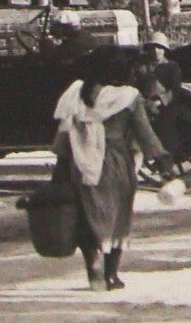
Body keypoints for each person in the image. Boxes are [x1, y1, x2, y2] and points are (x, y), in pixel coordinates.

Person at [52, 49, 175, 291]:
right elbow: (145, 134)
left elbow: (63, 136)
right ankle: (111, 274)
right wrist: (163, 161)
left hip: (83, 161)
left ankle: (94, 268)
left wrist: (63, 165)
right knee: (118, 216)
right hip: (116, 163)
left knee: (90, 216)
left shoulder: (76, 92)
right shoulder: (128, 97)